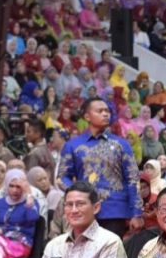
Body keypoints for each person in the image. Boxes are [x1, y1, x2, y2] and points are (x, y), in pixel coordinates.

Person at [58, 98, 142, 238]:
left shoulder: (121, 145)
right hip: (84, 209)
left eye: (107, 111)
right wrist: (77, 193)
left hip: (115, 210)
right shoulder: (73, 145)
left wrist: (136, 212)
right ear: (87, 116)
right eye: (100, 111)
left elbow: (133, 179)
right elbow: (62, 177)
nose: (105, 114)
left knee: (111, 256)